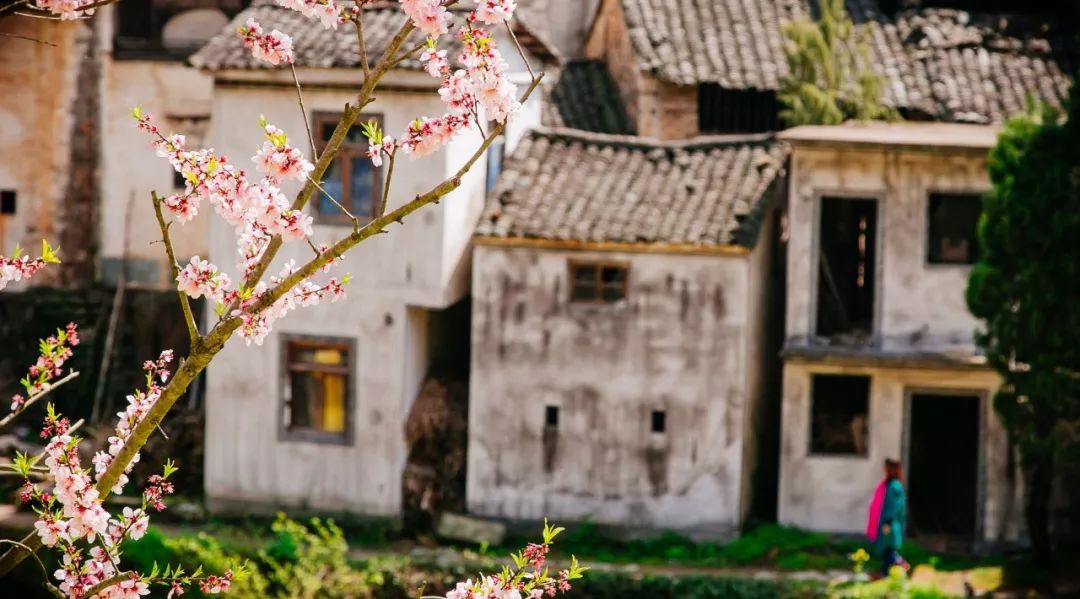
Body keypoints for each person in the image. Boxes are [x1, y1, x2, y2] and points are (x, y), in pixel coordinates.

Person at [866, 458, 907, 577]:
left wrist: (888, 523)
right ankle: (885, 572)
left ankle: (898, 565)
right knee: (887, 549)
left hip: (890, 523)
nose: (883, 470)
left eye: (885, 467)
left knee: (888, 548)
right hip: (887, 522)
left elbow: (894, 506)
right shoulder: (889, 484)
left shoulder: (894, 486)